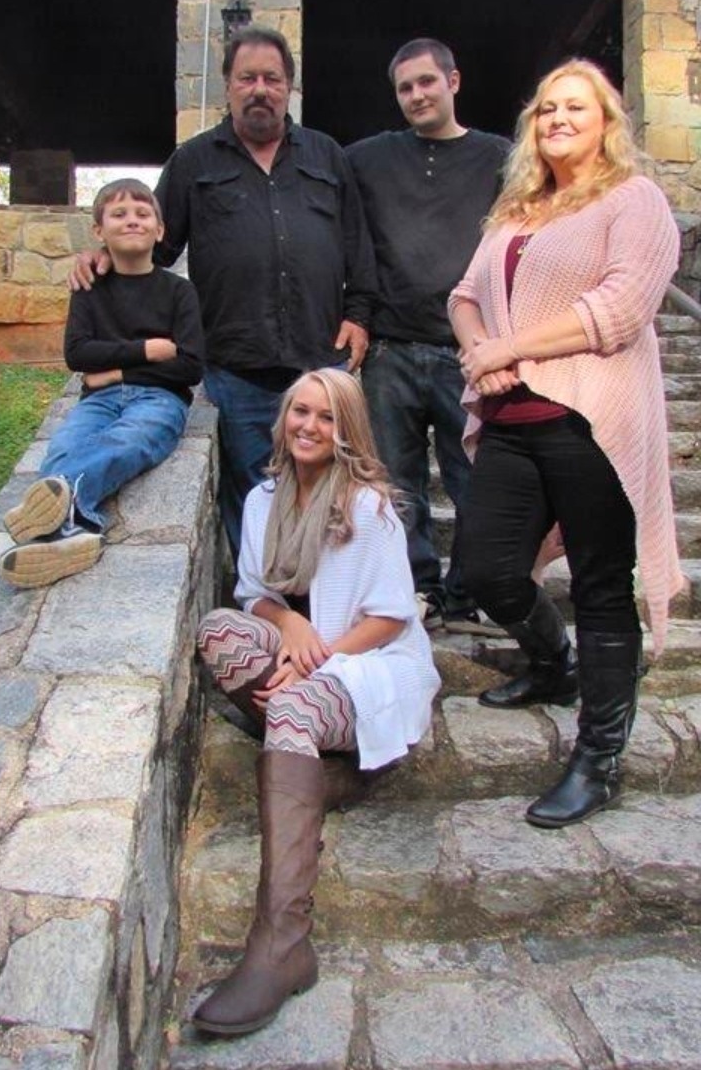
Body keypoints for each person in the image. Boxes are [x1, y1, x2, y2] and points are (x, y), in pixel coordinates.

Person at [449, 58, 684, 828]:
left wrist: (510, 348)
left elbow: (621, 307)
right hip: (511, 424)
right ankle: (555, 663)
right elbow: (462, 297)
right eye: (546, 107)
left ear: (605, 122)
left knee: (600, 588)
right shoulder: (516, 210)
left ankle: (598, 759)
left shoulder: (632, 199)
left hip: (592, 424)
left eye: (575, 107)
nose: (557, 119)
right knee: (485, 569)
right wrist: (481, 349)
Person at [191, 368, 439, 1035]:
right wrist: (290, 626)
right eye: (300, 411)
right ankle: (315, 770)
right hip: (305, 656)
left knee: (295, 709)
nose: (309, 426)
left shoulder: (368, 508)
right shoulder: (264, 499)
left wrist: (315, 661)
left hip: (369, 665)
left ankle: (282, 943)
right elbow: (254, 594)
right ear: (284, 419)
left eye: (327, 417)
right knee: (218, 630)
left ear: (346, 430)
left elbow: (389, 617)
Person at [71, 26, 376, 564]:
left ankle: (326, 603)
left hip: (320, 364)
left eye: (272, 79)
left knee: (332, 498)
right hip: (237, 374)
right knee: (255, 503)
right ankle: (262, 602)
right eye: (247, 78)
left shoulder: (327, 156)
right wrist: (105, 257)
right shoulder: (193, 162)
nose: (260, 89)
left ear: (289, 87)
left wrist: (359, 313)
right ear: (228, 86)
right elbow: (155, 245)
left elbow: (357, 242)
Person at [345, 39, 510, 634]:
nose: (416, 95)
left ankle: (469, 593)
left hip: (469, 351)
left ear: (453, 81)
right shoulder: (367, 158)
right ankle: (418, 590)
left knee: (476, 479)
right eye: (405, 88)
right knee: (395, 482)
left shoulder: (500, 157)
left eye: (426, 82)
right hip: (389, 348)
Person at [0, 179, 203, 588]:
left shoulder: (179, 292)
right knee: (65, 444)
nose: (132, 221)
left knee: (128, 440)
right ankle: (73, 532)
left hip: (160, 400)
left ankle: (60, 521)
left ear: (160, 230)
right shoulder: (89, 287)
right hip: (99, 400)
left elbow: (190, 366)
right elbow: (78, 354)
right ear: (99, 230)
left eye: (143, 214)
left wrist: (117, 371)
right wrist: (147, 350)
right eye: (119, 214)